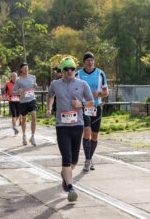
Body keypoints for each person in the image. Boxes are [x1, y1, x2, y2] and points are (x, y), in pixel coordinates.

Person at [46, 57, 94, 202]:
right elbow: (50, 96)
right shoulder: (55, 84)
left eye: (72, 69)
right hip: (62, 127)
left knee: (74, 160)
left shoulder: (82, 84)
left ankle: (65, 175)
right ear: (62, 70)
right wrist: (48, 109)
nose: (69, 71)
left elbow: (91, 102)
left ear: (75, 70)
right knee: (66, 158)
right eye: (66, 69)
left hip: (77, 125)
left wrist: (81, 104)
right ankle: (71, 188)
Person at [76, 52, 109, 172]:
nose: (90, 62)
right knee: (87, 131)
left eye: (91, 60)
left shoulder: (100, 73)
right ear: (84, 62)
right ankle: (87, 160)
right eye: (87, 60)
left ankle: (89, 158)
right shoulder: (78, 74)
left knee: (95, 135)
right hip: (84, 107)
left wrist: (98, 94)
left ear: (94, 61)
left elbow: (106, 93)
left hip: (97, 107)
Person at [12, 63, 38, 146]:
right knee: (24, 119)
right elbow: (13, 91)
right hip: (23, 101)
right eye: (24, 68)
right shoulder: (18, 80)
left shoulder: (32, 77)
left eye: (27, 68)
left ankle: (33, 136)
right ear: (21, 70)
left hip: (32, 99)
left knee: (34, 116)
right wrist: (18, 91)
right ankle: (24, 136)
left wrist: (35, 86)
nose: (26, 69)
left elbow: (35, 85)